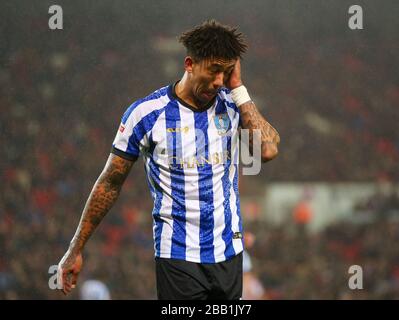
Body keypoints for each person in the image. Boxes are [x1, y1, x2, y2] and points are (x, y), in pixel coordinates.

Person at [57, 19, 280, 300]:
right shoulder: (146, 114)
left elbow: (268, 150)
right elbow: (110, 183)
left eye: (225, 72)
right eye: (213, 71)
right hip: (177, 255)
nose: (218, 81)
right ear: (189, 63)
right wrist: (76, 247)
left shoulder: (233, 104)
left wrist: (239, 89)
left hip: (229, 253)